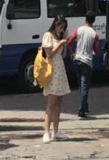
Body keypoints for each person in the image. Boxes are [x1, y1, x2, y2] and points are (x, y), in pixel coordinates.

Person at [40, 14, 71, 144]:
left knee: (59, 102)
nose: (61, 29)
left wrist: (65, 43)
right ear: (55, 25)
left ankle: (56, 131)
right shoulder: (48, 36)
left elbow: (62, 55)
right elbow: (50, 54)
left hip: (60, 69)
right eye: (60, 27)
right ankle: (46, 131)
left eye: (63, 28)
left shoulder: (59, 37)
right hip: (52, 71)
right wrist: (60, 44)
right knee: (51, 102)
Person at [67, 11, 100, 119]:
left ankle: (85, 106)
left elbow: (69, 42)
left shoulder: (78, 30)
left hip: (77, 60)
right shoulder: (94, 34)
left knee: (81, 85)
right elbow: (96, 50)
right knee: (85, 86)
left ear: (85, 19)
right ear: (94, 21)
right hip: (87, 62)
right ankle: (81, 111)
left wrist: (71, 53)